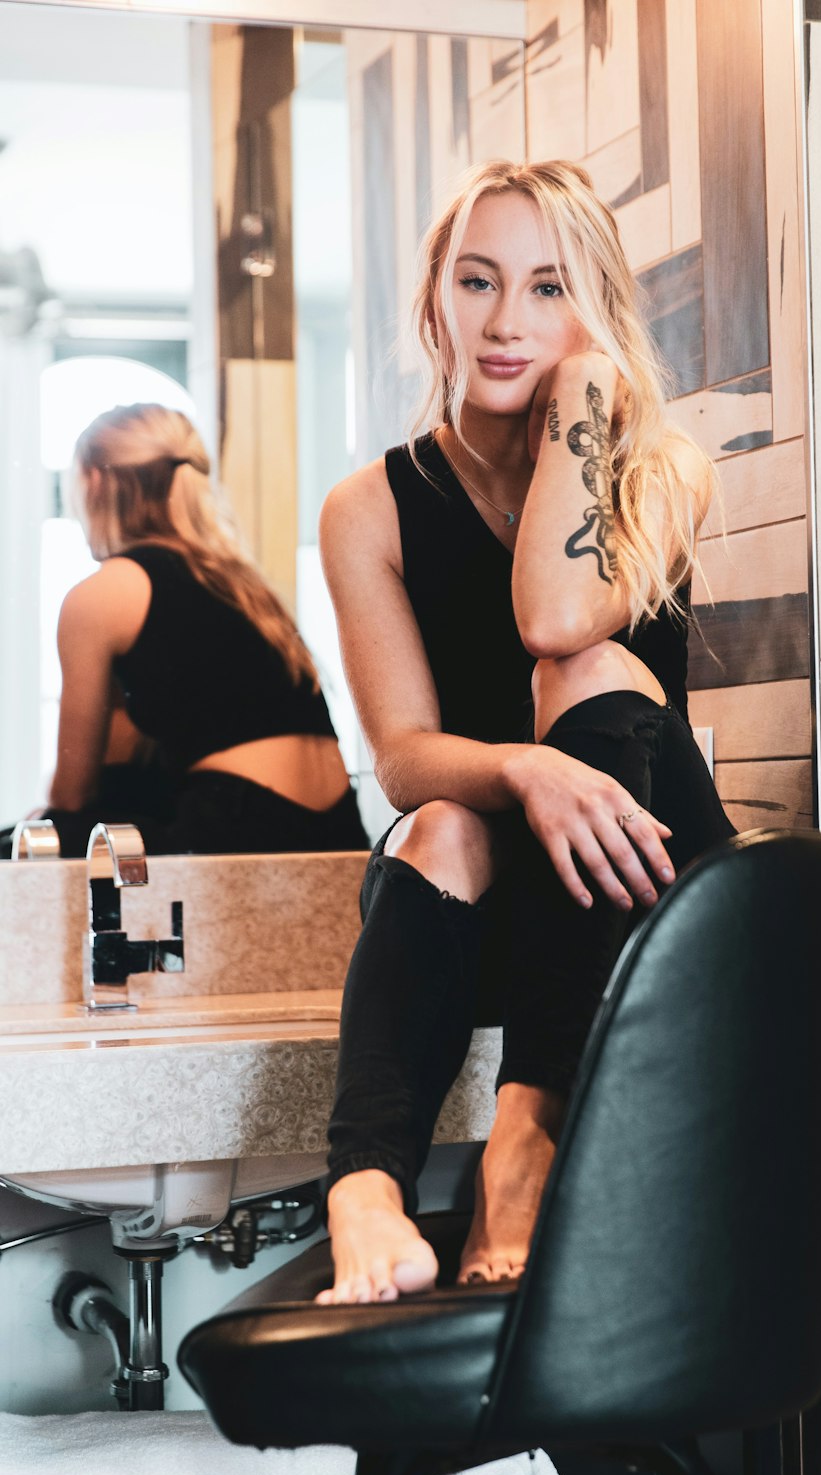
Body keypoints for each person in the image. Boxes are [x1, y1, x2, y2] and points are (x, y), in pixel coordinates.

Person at [316, 159, 735, 1306]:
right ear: (433, 301)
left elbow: (554, 615)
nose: (505, 323)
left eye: (550, 288)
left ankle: (525, 1141)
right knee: (444, 820)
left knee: (586, 664)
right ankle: (364, 1193)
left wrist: (588, 393)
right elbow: (402, 755)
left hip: (653, 879)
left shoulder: (665, 469)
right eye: (478, 281)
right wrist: (526, 771)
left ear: (594, 307)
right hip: (498, 892)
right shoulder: (369, 508)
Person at [39, 402, 367, 857]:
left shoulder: (102, 595)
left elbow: (72, 794)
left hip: (235, 828)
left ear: (94, 480)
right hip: (338, 832)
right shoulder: (238, 582)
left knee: (36, 839)